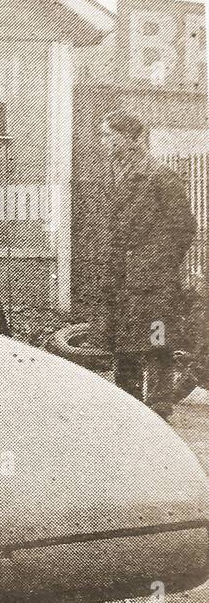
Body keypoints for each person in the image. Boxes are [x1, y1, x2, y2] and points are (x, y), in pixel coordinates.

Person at [99, 111, 198, 416]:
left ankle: (158, 412)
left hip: (154, 283)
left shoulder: (160, 175)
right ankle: (127, 411)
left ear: (127, 138)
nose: (102, 141)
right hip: (123, 279)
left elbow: (184, 226)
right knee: (124, 347)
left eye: (107, 135)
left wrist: (160, 263)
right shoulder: (115, 172)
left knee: (157, 345)